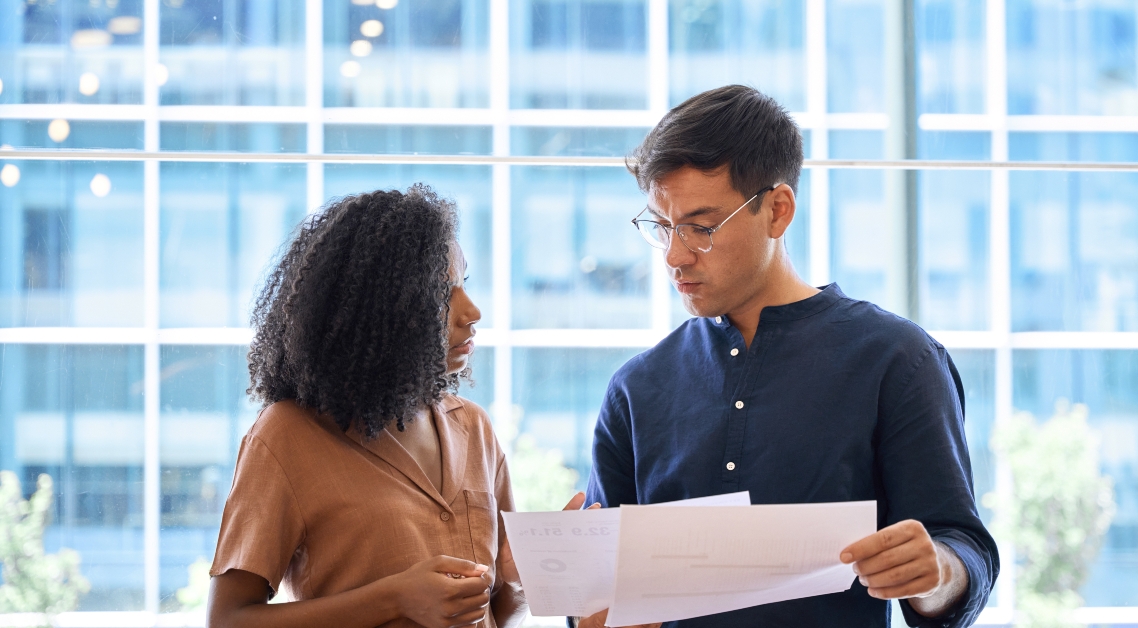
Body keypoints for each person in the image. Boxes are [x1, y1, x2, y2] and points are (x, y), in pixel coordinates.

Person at [577, 86, 999, 628]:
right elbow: (600, 603)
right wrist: (582, 599)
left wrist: (938, 571)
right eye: (662, 227)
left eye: (701, 228)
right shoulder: (636, 387)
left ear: (778, 210)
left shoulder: (896, 360)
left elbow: (963, 552)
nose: (675, 257)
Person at [206, 186, 527, 628]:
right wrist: (393, 599)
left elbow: (503, 613)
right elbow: (228, 621)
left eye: (463, 283)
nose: (471, 310)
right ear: (379, 311)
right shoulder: (286, 436)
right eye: (440, 293)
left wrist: (525, 574)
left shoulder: (473, 427)